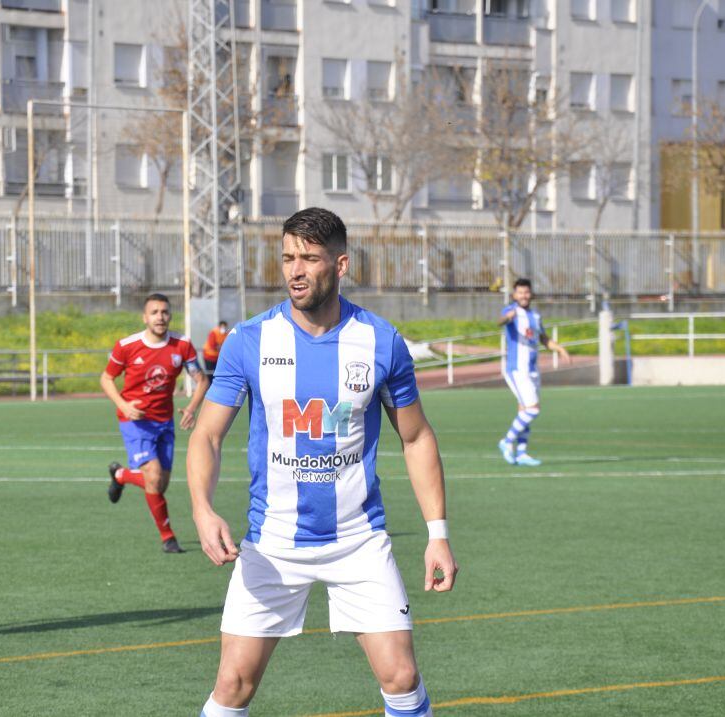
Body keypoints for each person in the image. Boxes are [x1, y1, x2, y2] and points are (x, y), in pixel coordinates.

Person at [187, 207, 457, 717]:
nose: (295, 270)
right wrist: (202, 509)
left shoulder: (381, 341)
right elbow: (207, 436)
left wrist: (436, 533)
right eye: (287, 258)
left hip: (357, 538)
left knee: (402, 676)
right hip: (272, 542)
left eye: (309, 259)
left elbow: (417, 437)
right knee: (233, 684)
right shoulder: (249, 341)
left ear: (341, 264)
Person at [101, 293, 209, 554]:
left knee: (160, 485)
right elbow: (106, 378)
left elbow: (202, 380)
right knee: (154, 476)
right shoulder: (127, 346)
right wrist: (124, 405)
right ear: (145, 317)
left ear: (170, 315)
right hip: (134, 421)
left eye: (164, 312)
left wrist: (192, 409)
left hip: (164, 422)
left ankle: (121, 475)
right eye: (154, 312)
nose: (160, 317)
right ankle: (168, 538)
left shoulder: (182, 345)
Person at [496, 278, 570, 467]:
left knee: (524, 410)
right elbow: (500, 321)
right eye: (520, 292)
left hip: (532, 370)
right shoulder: (510, 311)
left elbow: (544, 338)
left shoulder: (535, 316)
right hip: (517, 369)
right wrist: (508, 317)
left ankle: (521, 453)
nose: (523, 296)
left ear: (531, 294)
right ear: (514, 295)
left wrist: (560, 349)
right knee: (533, 409)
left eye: (526, 292)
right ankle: (506, 441)